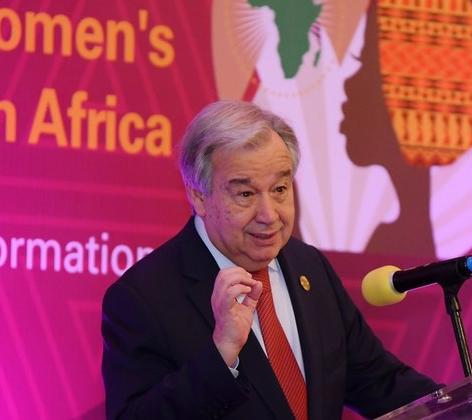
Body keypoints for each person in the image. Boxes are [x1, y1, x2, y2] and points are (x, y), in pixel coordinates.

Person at [101, 100, 441, 420]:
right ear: (199, 196)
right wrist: (221, 354)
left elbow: (378, 381)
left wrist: (462, 407)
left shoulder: (310, 268)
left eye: (280, 189)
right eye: (246, 194)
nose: (269, 215)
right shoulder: (142, 298)